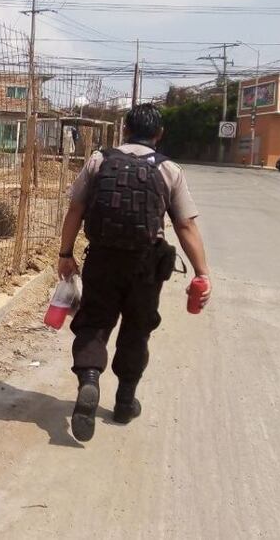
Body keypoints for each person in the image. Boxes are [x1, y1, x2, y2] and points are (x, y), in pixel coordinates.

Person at [57, 104, 212, 442]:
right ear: (159, 135)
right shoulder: (169, 169)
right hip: (146, 264)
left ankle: (89, 381)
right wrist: (202, 272)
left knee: (94, 323)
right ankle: (125, 401)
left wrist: (66, 254)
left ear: (125, 129)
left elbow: (75, 209)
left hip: (102, 258)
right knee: (137, 328)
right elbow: (185, 224)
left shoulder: (99, 161)